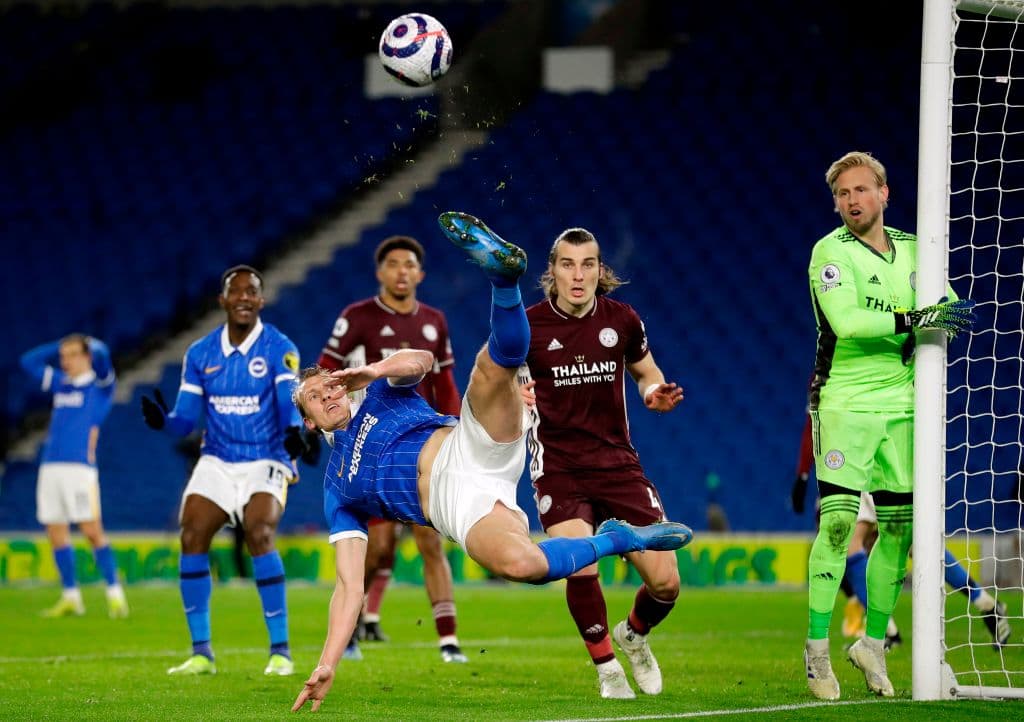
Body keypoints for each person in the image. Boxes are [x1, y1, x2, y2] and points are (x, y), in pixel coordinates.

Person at [290, 212, 694, 712]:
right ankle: (620, 539)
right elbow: (349, 586)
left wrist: (366, 371)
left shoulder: (375, 394)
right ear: (309, 421)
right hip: (455, 505)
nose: (326, 391)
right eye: (313, 395)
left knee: (489, 368)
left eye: (327, 382)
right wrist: (328, 660)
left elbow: (418, 360)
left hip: (467, 443)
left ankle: (504, 280)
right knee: (524, 565)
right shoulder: (338, 488)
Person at [804, 151, 976, 700]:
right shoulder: (829, 253)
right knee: (837, 527)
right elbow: (849, 324)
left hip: (905, 407)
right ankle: (816, 653)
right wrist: (916, 317)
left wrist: (943, 310)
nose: (853, 201)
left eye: (862, 189)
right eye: (843, 194)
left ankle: (872, 645)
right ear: (836, 204)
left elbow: (951, 305)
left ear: (884, 192)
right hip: (844, 403)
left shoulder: (913, 250)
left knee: (898, 533)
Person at [518, 227, 685, 699]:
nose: (578, 274)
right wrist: (515, 390)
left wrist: (654, 393)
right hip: (559, 467)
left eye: (587, 264)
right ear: (551, 271)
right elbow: (497, 376)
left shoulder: (623, 320)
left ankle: (633, 635)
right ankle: (607, 669)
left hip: (616, 465)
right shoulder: (527, 325)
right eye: (567, 264)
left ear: (599, 269)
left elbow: (646, 373)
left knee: (666, 584)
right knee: (580, 564)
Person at [141, 264, 311, 677]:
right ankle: (201, 653)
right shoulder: (200, 353)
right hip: (217, 458)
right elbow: (185, 418)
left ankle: (281, 653)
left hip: (266, 457)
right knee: (192, 532)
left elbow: (285, 398)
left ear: (261, 300)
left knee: (260, 532)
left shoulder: (279, 347)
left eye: (251, 292)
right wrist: (164, 421)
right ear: (222, 301)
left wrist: (293, 434)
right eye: (236, 292)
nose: (243, 298)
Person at [317, 235, 465, 663]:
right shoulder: (357, 317)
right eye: (394, 264)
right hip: (370, 449)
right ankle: (351, 630)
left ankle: (449, 640)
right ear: (380, 272)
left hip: (418, 441)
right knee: (378, 548)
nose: (402, 272)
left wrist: (454, 426)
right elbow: (324, 372)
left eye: (410, 265)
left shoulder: (434, 321)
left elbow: (444, 383)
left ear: (420, 274)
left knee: (430, 541)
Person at [792, 413, 1011, 649]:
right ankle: (984, 603)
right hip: (886, 458)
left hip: (869, 458)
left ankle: (887, 633)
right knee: (907, 545)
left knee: (899, 545)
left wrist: (804, 474)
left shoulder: (832, 378)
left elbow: (813, 424)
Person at [19, 334, 128, 618]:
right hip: (50, 466)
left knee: (92, 531)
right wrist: (58, 345)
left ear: (86, 356)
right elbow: (27, 361)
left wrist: (91, 343)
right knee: (55, 531)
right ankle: (71, 596)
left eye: (71, 355)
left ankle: (115, 593)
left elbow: (103, 356)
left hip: (79, 469)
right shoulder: (61, 383)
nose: (64, 361)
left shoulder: (100, 385)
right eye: (63, 356)